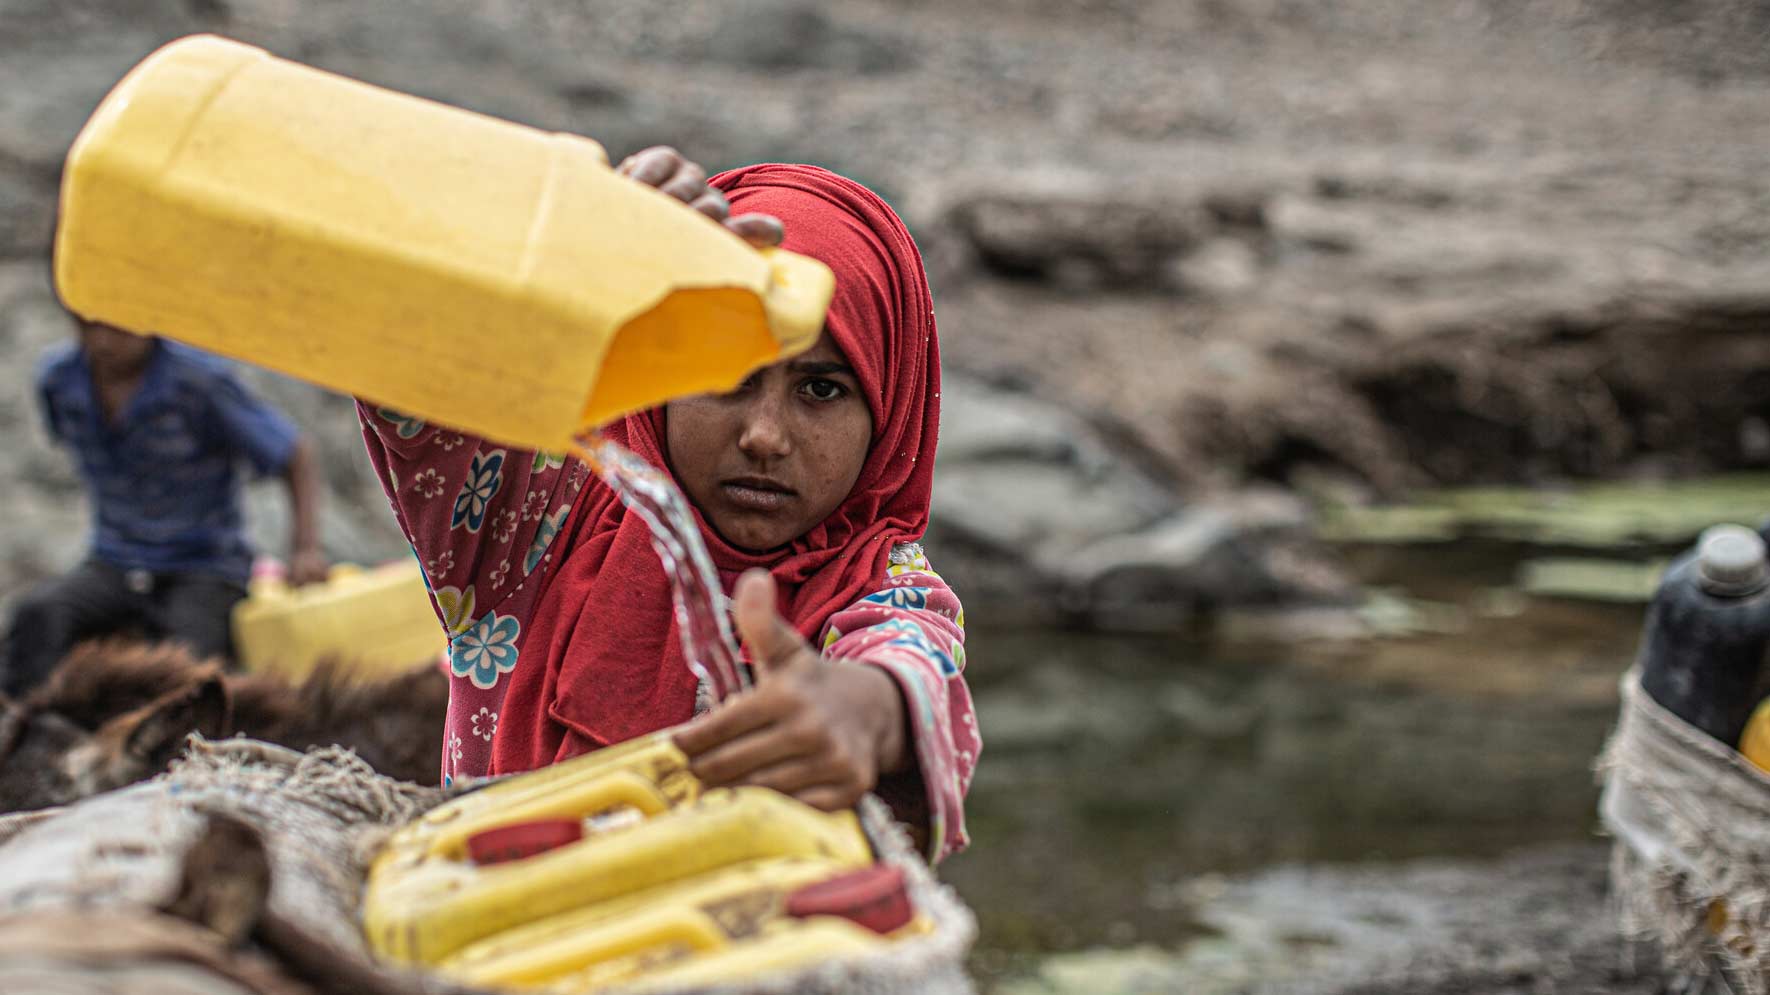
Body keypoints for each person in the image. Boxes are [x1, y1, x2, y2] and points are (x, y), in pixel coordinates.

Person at [359, 149, 977, 860]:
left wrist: (861, 711)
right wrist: (571, 262)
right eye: (727, 373)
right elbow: (405, 356)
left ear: (888, 410)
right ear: (661, 371)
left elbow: (909, 665)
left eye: (822, 390)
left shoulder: (884, 585)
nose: (764, 436)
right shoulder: (529, 526)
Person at [0, 320, 327, 695]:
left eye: (119, 329)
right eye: (90, 327)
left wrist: (305, 549)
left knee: (180, 666)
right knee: (37, 618)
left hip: (204, 564)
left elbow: (294, 454)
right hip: (115, 559)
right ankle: (24, 738)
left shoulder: (199, 380)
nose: (105, 342)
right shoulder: (60, 381)